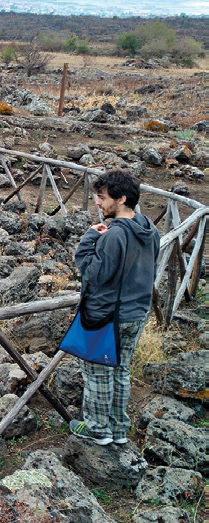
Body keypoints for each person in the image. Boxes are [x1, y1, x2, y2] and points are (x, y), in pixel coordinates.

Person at [71, 169, 160, 446]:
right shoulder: (150, 228)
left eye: (102, 197)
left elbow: (94, 275)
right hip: (136, 313)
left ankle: (98, 429)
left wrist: (87, 240)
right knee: (120, 370)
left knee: (97, 371)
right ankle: (119, 429)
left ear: (121, 199)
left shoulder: (114, 236)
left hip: (108, 315)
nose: (98, 203)